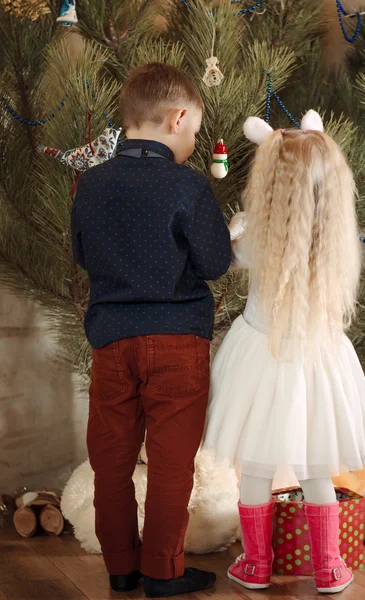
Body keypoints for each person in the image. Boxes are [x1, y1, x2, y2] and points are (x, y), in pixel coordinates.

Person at [203, 110, 365, 595]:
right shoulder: (339, 246)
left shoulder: (253, 237)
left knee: (256, 468)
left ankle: (256, 564)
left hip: (258, 360)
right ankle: (328, 567)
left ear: (272, 183)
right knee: (315, 465)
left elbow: (226, 253)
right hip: (320, 364)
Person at [71, 63, 231, 597]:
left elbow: (80, 254)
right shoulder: (187, 185)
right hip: (178, 340)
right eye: (193, 133)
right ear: (178, 118)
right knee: (170, 462)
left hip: (112, 341)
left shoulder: (90, 184)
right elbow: (212, 262)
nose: (192, 143)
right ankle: (164, 570)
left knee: (111, 459)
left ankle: (121, 566)